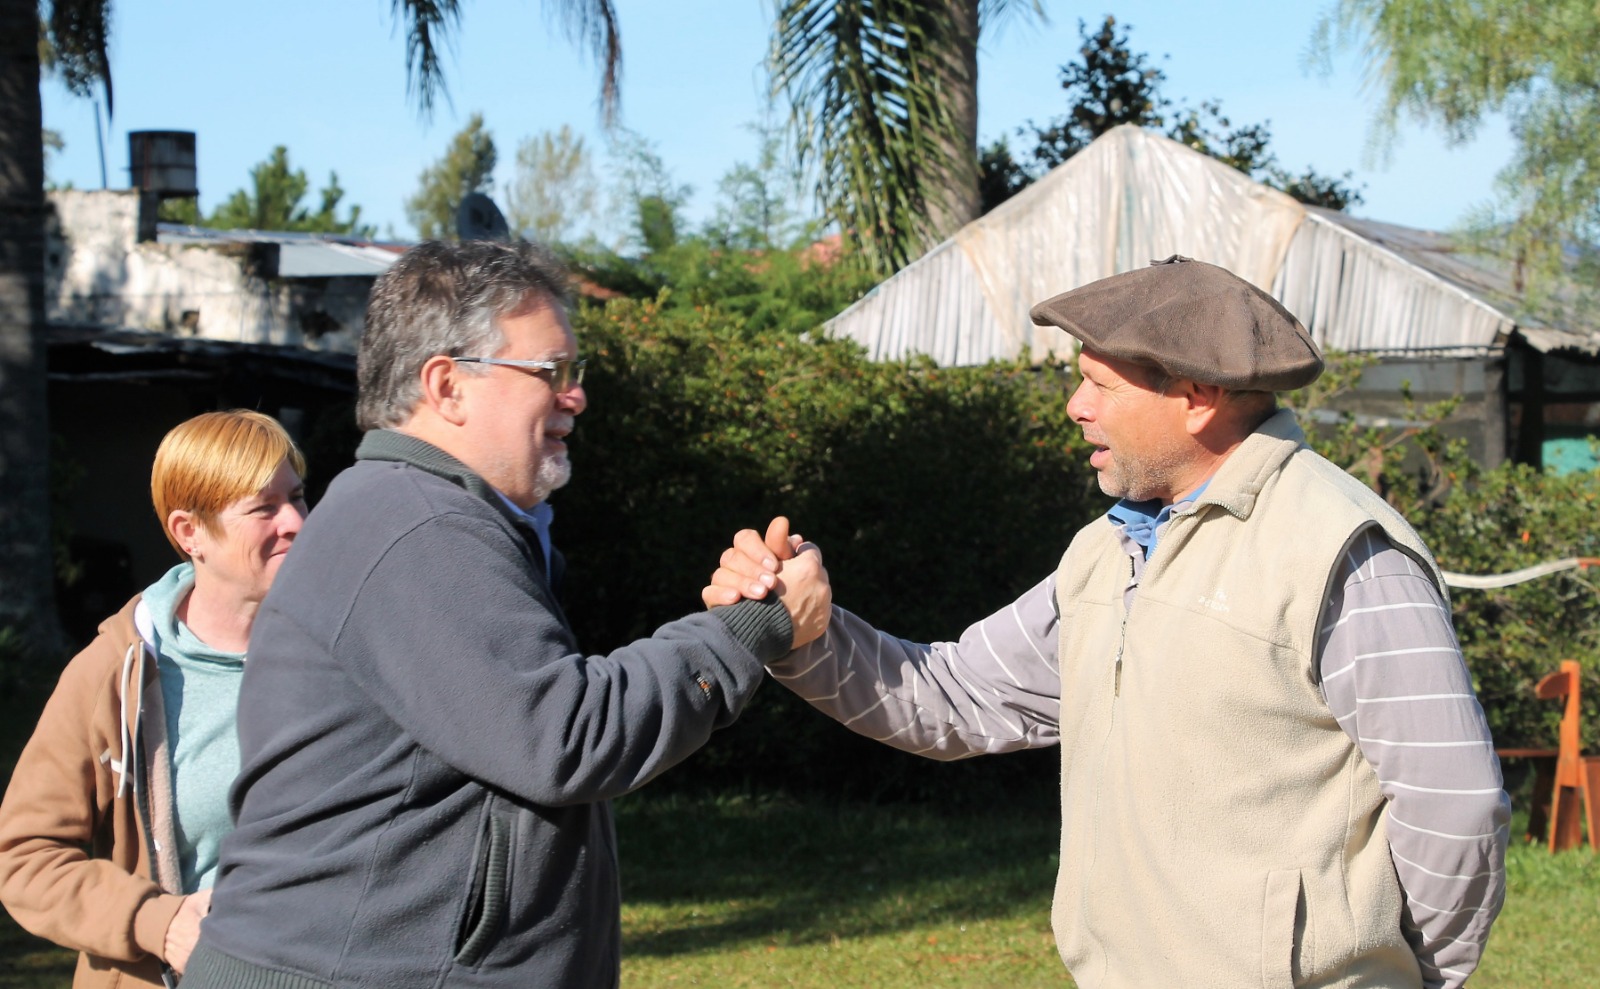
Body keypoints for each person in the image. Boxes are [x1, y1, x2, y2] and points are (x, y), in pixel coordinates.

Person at [708, 257, 1509, 989]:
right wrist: (804, 632)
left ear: (1198, 398)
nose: (1075, 406)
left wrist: (1401, 979)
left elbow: (1455, 804)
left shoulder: (1343, 551)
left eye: (1101, 384)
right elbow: (953, 695)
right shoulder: (1110, 551)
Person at [179, 240, 830, 989]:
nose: (576, 396)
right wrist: (751, 629)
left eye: (574, 373)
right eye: (550, 373)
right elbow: (566, 735)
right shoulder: (416, 525)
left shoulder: (410, 513)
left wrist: (737, 621)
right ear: (447, 385)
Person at [0, 410, 308, 989]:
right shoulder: (115, 673)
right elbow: (23, 855)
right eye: (263, 508)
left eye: (297, 497)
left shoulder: (344, 651)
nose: (294, 521)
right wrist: (157, 922)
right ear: (190, 532)